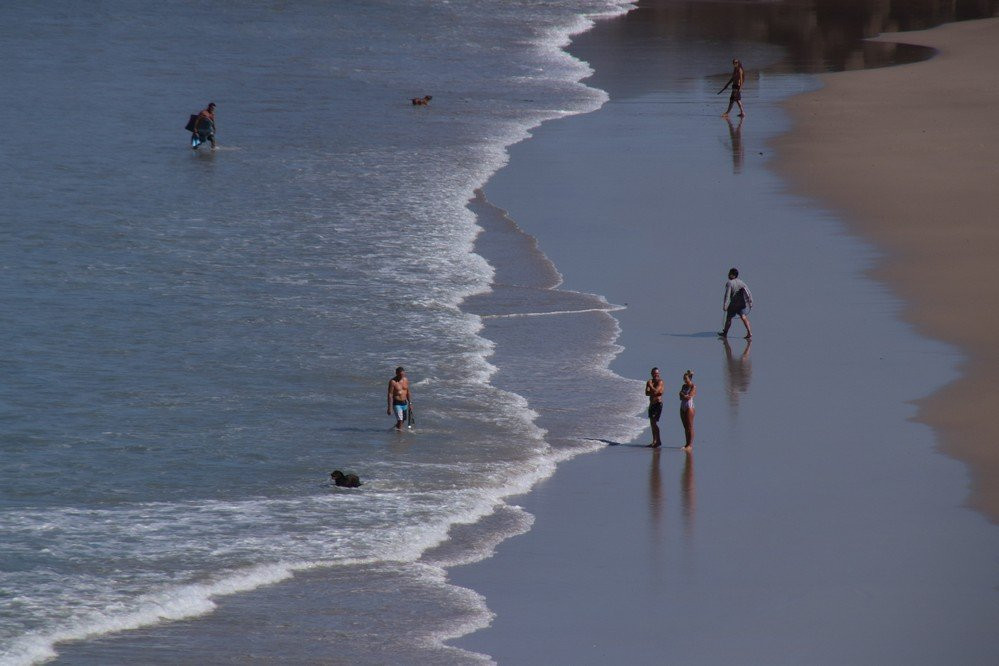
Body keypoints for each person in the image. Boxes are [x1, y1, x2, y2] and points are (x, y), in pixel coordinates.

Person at [719, 267, 753, 339]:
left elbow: (727, 295)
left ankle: (725, 333)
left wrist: (725, 306)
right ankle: (749, 332)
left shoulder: (729, 283)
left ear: (732, 275)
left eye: (729, 274)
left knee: (729, 318)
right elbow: (748, 292)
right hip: (741, 303)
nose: (728, 275)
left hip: (733, 304)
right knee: (743, 317)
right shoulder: (741, 282)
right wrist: (750, 302)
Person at [645, 367, 664, 448]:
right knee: (652, 423)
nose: (656, 375)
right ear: (652, 374)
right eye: (654, 373)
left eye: (657, 373)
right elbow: (646, 393)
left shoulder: (660, 382)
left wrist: (650, 386)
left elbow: (656, 391)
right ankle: (654, 441)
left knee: (654, 423)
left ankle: (658, 440)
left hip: (657, 404)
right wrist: (653, 391)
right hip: (651, 404)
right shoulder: (650, 381)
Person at [679, 370, 697, 450]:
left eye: (686, 378)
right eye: (684, 378)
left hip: (689, 406)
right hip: (682, 405)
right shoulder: (684, 386)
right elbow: (680, 397)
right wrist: (683, 395)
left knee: (690, 426)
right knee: (685, 426)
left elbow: (689, 396)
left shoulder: (693, 386)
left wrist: (683, 395)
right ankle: (686, 444)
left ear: (690, 378)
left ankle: (690, 445)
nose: (684, 380)